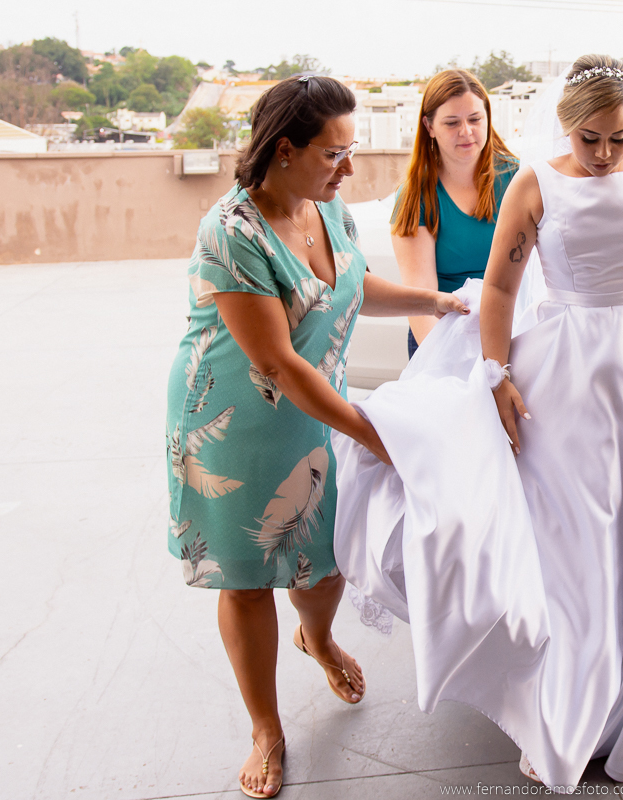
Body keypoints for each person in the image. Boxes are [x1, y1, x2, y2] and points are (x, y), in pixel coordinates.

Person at [331, 55, 623, 790]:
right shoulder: (535, 183)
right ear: (565, 127)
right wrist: (496, 375)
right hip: (566, 373)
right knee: (576, 540)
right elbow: (500, 288)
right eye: (589, 139)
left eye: (618, 138)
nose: (603, 154)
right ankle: (571, 705)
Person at [164, 75, 466, 799]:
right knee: (247, 582)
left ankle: (319, 637)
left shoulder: (328, 208)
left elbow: (352, 287)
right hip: (236, 425)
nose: (349, 168)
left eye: (350, 150)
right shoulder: (232, 232)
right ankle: (266, 728)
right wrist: (375, 435)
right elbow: (276, 362)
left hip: (317, 409)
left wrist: (435, 300)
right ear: (284, 150)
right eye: (334, 153)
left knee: (327, 562)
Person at [391, 69, 519, 357]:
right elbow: (421, 303)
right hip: (441, 338)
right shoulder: (415, 196)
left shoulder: (517, 179)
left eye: (475, 119)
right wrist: (445, 363)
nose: (466, 132)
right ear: (429, 126)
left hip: (512, 330)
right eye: (452, 122)